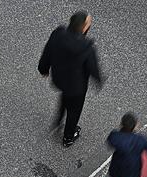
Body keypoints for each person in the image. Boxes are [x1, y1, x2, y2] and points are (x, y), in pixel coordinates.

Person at [37, 11, 103, 147]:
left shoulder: (58, 34)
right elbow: (93, 68)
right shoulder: (86, 48)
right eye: (88, 23)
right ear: (84, 28)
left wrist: (43, 69)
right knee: (74, 111)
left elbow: (47, 52)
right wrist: (98, 80)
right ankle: (68, 136)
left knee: (64, 99)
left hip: (60, 80)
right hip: (77, 87)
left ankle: (58, 121)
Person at [107, 113, 147, 177]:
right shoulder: (140, 139)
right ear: (135, 127)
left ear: (121, 124)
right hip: (133, 169)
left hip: (118, 168)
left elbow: (110, 142)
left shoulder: (115, 135)